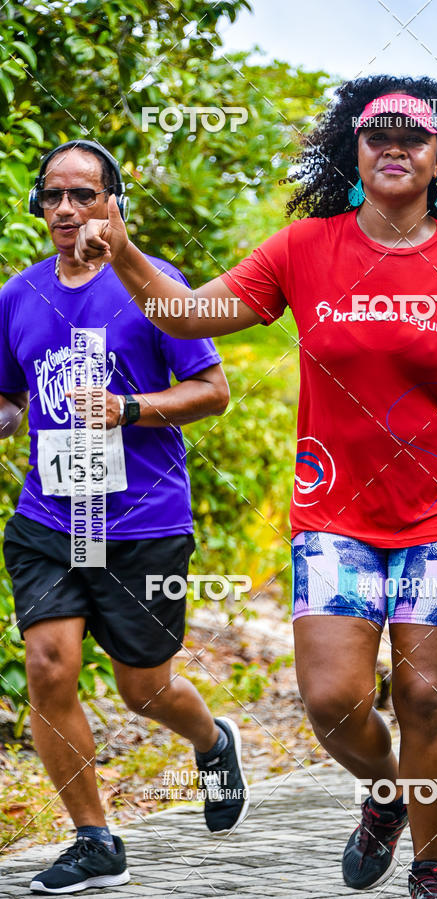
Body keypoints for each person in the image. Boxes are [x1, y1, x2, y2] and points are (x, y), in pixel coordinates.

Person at [73, 75, 437, 899]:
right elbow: (186, 315)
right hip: (335, 511)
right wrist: (126, 250)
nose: (394, 144)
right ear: (353, 149)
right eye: (376, 132)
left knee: (426, 694)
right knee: (331, 700)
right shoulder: (304, 249)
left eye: (413, 135)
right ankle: (385, 792)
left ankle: (431, 866)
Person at [0, 140, 250, 896]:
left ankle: (210, 741)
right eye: (53, 196)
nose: (67, 209)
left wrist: (129, 408)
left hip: (143, 521)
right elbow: (11, 398)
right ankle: (95, 838)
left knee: (144, 687)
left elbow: (213, 390)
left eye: (84, 194)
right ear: (40, 207)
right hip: (50, 516)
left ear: (113, 203)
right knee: (49, 665)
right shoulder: (16, 295)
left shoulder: (152, 288)